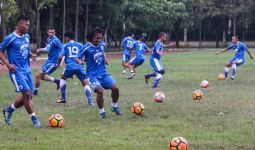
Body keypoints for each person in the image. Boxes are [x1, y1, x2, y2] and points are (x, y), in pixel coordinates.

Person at [0, 15, 41, 128]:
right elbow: (1, 51)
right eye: (26, 24)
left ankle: (8, 110)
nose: (28, 27)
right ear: (19, 24)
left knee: (28, 96)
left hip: (27, 70)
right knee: (27, 94)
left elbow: (26, 50)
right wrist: (8, 64)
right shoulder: (10, 38)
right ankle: (34, 119)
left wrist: (30, 54)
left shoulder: (26, 36)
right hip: (16, 71)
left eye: (28, 24)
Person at [76, 27, 122, 118]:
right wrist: (80, 62)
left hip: (104, 73)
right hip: (92, 75)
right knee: (100, 91)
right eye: (97, 38)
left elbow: (102, 51)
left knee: (116, 88)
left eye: (101, 38)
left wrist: (105, 59)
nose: (99, 40)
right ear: (91, 37)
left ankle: (114, 106)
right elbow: (77, 57)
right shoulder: (86, 47)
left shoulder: (101, 44)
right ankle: (102, 112)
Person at [56, 31, 93, 105]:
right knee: (85, 83)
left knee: (63, 78)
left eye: (65, 37)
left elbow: (60, 56)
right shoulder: (80, 44)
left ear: (68, 38)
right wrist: (83, 61)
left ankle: (63, 98)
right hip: (79, 66)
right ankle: (90, 101)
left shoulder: (65, 45)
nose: (65, 39)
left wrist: (58, 63)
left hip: (69, 66)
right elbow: (86, 55)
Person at [33, 26, 62, 96]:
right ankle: (58, 81)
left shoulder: (56, 40)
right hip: (48, 61)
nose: (51, 34)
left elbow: (63, 49)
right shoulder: (49, 39)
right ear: (47, 32)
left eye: (52, 32)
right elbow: (48, 48)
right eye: (50, 32)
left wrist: (60, 62)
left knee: (38, 75)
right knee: (39, 76)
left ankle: (35, 93)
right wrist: (41, 49)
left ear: (54, 33)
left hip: (53, 62)